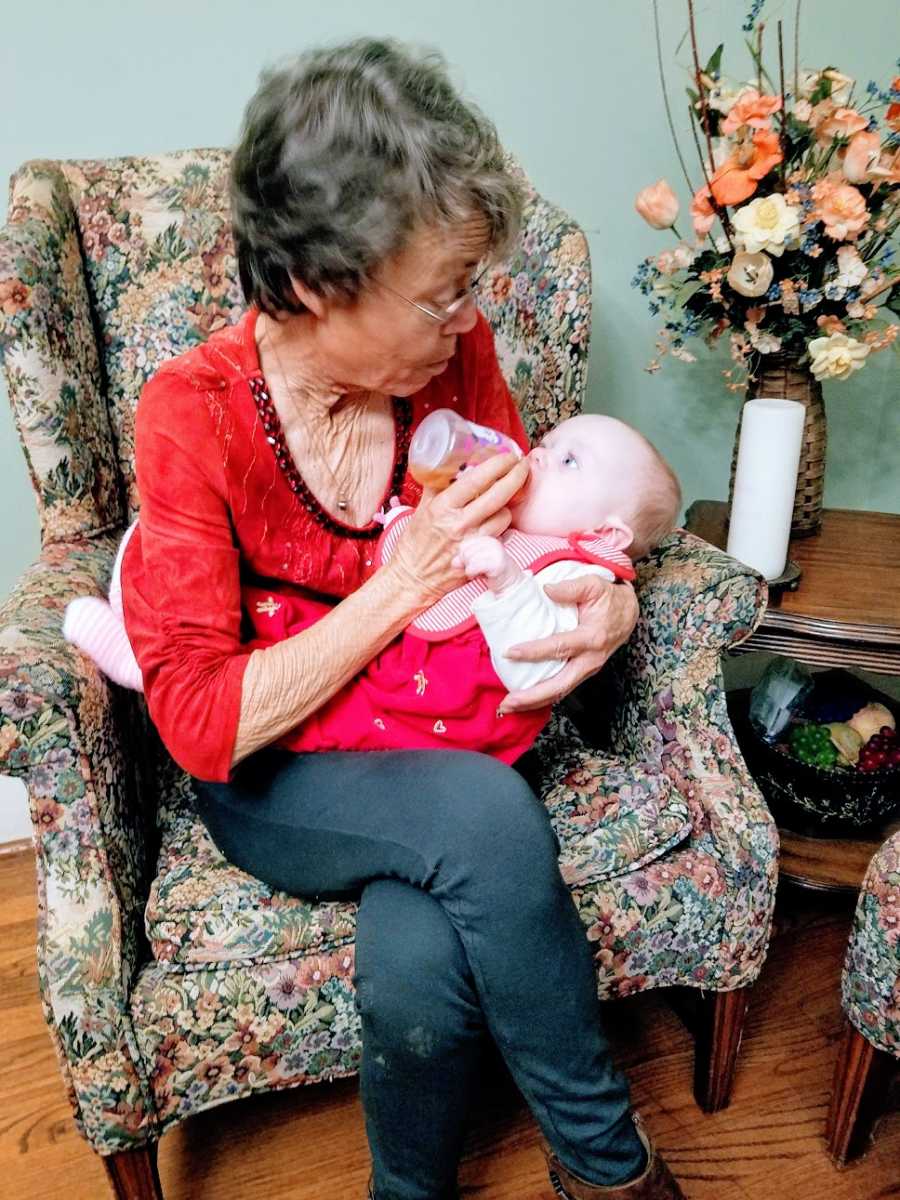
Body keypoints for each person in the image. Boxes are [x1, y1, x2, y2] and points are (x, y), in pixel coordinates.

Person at [108, 39, 685, 1200]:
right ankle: (614, 1175)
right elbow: (201, 725)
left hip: (440, 739)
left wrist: (611, 603)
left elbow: (542, 523)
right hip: (281, 774)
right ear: (320, 285)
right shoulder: (193, 415)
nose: (471, 319)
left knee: (421, 948)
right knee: (481, 821)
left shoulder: (452, 363)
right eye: (441, 294)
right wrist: (400, 586)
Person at [65, 414, 681, 766]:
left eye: (569, 462)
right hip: (397, 659)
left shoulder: (574, 567)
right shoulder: (515, 521)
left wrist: (506, 579)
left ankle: (143, 670)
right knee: (283, 624)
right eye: (547, 444)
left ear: (607, 530)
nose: (539, 458)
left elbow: (535, 661)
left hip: (441, 719)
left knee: (318, 706)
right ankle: (162, 653)